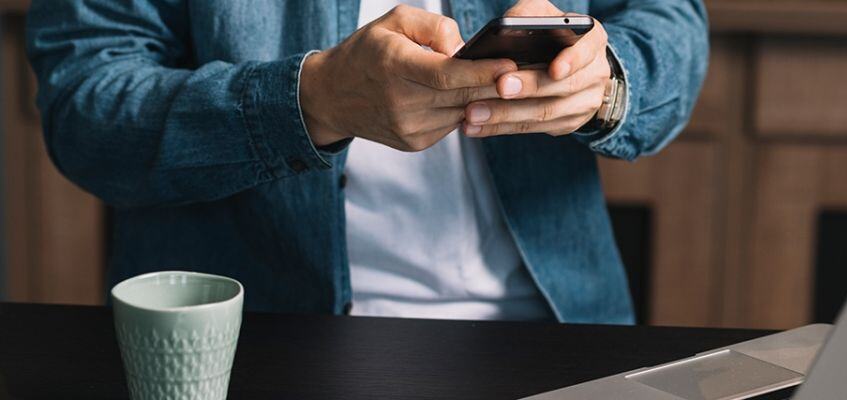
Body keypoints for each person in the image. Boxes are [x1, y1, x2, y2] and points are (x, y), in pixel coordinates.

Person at [26, 0, 707, 324]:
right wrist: (309, 102)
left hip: (555, 338)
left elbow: (670, 23)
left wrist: (606, 82)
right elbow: (86, 106)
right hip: (249, 348)